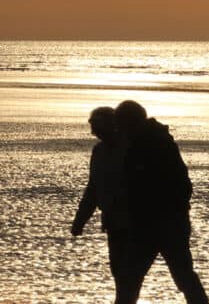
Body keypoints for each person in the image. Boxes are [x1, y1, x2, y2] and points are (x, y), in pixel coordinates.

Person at [109, 100, 209, 304]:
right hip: (154, 223)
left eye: (120, 124)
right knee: (134, 277)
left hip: (162, 223)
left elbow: (177, 186)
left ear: (130, 123)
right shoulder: (144, 142)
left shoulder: (153, 144)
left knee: (176, 275)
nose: (118, 130)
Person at [70, 107, 130, 300]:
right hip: (113, 221)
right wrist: (80, 220)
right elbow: (93, 189)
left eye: (97, 128)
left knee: (128, 275)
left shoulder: (131, 149)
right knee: (120, 274)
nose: (93, 133)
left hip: (135, 222)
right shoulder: (99, 151)